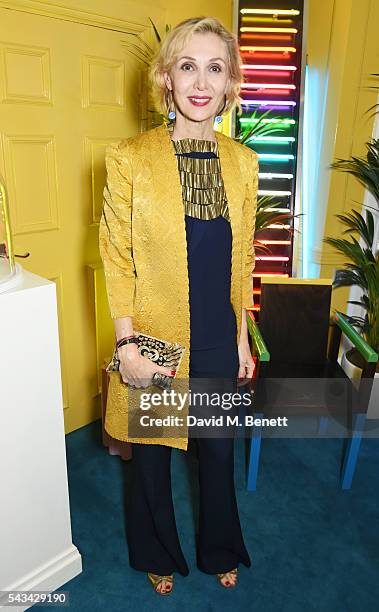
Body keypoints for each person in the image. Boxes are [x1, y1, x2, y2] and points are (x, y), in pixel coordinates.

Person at [99, 16, 259, 596]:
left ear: (229, 83)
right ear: (167, 78)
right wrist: (127, 345)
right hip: (155, 335)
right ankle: (157, 552)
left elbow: (241, 261)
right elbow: (116, 258)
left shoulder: (242, 162)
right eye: (187, 65)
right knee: (152, 461)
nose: (200, 80)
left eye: (215, 68)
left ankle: (220, 546)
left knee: (217, 455)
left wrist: (242, 337)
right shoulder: (131, 158)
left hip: (218, 333)